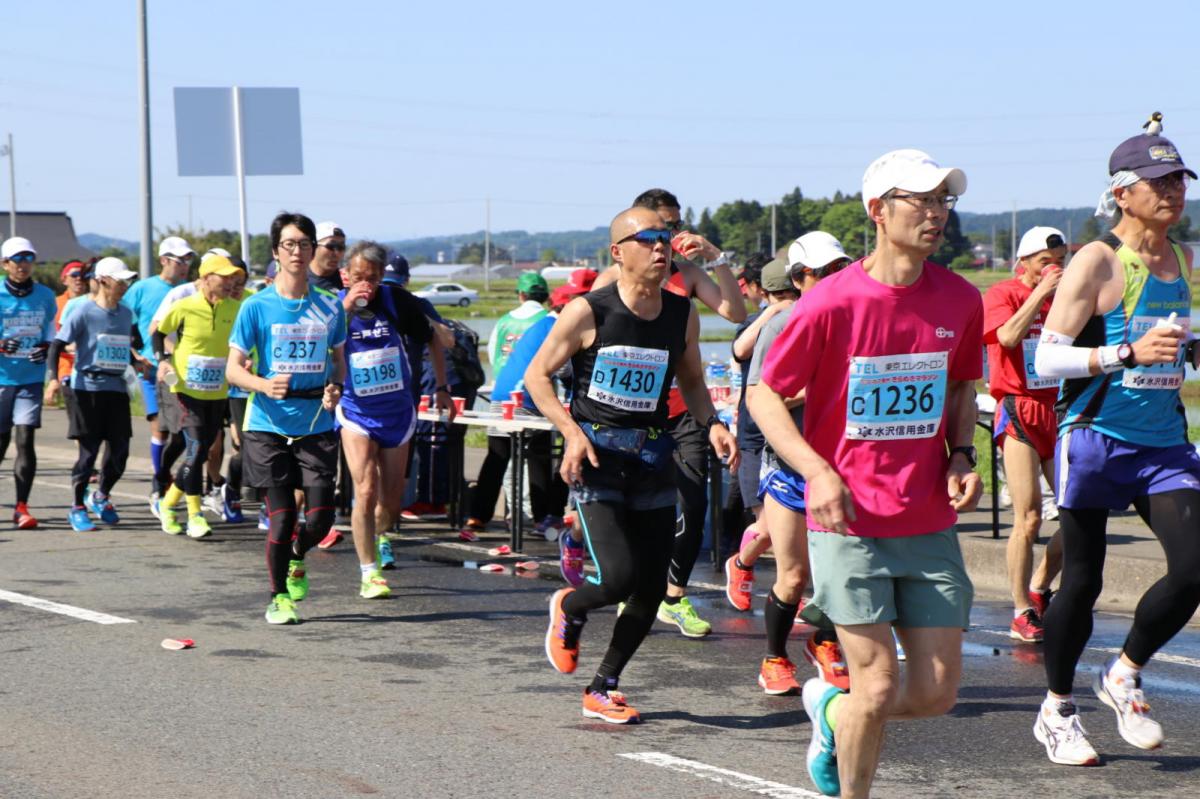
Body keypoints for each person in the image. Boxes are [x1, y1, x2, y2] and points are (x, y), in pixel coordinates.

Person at [751, 149, 980, 798]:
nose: (936, 214)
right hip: (848, 521)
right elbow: (765, 396)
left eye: (944, 201)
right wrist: (817, 472)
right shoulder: (830, 303)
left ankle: (830, 709)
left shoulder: (961, 298)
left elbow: (963, 383)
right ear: (878, 211)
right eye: (921, 200)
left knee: (935, 693)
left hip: (927, 519)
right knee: (876, 684)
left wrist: (961, 454)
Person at [1031, 129, 1200, 766]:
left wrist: (1189, 349)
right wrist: (1121, 353)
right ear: (1122, 194)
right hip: (1095, 437)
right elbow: (1046, 357)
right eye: (1159, 183)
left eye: (1180, 180)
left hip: (1163, 443)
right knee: (1082, 581)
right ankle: (1057, 708)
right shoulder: (1097, 261)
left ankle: (1122, 672)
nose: (1173, 192)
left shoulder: (1181, 257)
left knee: (1194, 568)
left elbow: (1166, 339)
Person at [533, 207, 738, 724]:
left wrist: (711, 421)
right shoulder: (588, 311)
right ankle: (571, 608)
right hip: (597, 454)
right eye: (646, 238)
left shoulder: (681, 313)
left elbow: (691, 377)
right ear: (618, 252)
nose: (661, 247)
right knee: (619, 578)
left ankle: (603, 685)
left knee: (650, 589)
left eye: (665, 238)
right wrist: (571, 432)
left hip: (652, 454)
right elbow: (538, 378)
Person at [594, 187, 746, 637]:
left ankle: (674, 597)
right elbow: (583, 342)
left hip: (685, 409)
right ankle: (623, 583)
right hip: (632, 416)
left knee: (693, 501)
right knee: (626, 506)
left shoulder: (688, 274)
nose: (667, 238)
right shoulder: (612, 277)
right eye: (658, 228)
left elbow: (736, 312)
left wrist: (717, 257)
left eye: (674, 227)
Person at [737, 241, 853, 698]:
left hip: (843, 465)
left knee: (839, 574)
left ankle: (824, 643)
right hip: (789, 464)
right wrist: (820, 387)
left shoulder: (856, 318)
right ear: (800, 277)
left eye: (843, 268)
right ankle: (774, 657)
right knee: (794, 575)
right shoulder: (784, 323)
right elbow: (764, 399)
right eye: (825, 271)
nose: (835, 278)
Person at [226, 212, 347, 625]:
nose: (298, 252)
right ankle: (278, 597)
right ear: (276, 252)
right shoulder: (255, 306)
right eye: (290, 244)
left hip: (315, 421)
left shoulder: (330, 305)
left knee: (320, 520)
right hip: (266, 424)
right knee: (281, 518)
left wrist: (336, 388)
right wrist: (262, 384)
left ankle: (299, 555)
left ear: (314, 250)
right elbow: (233, 369)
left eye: (305, 244)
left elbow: (338, 359)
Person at [336, 241, 453, 598]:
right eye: (358, 278)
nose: (365, 286)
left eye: (372, 279)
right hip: (356, 410)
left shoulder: (395, 301)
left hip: (397, 411)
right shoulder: (334, 305)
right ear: (346, 275)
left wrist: (442, 386)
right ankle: (369, 572)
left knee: (391, 499)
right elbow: (324, 342)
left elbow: (435, 340)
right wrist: (344, 309)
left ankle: (381, 534)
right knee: (365, 488)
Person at [983, 226, 1067, 643]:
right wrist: (1040, 293)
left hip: (1060, 410)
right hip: (1019, 408)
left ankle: (1038, 585)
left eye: (1060, 262)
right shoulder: (1002, 294)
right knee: (1029, 516)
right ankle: (1019, 609)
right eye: (1045, 263)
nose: (1054, 269)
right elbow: (1007, 337)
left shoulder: (1065, 298)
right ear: (1025, 262)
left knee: (1077, 513)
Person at [45, 257, 141, 532]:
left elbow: (124, 348)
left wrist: (138, 363)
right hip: (86, 388)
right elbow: (56, 346)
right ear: (102, 281)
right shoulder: (84, 311)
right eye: (119, 280)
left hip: (117, 388)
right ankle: (77, 507)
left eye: (127, 281)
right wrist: (53, 380)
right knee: (88, 453)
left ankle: (101, 496)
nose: (124, 285)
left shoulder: (125, 313)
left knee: (120, 452)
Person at [152, 254, 244, 538]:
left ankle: (168, 505)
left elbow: (244, 341)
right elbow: (158, 333)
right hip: (183, 390)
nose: (230, 283)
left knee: (201, 452)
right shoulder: (185, 306)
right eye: (224, 277)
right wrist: (163, 359)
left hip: (217, 392)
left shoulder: (236, 308)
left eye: (233, 278)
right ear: (206, 279)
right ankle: (195, 515)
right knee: (194, 450)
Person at [459, 271, 551, 540]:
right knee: (538, 456)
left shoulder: (504, 321)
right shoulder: (547, 320)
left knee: (497, 456)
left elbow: (493, 354)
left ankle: (478, 515)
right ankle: (541, 518)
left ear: (520, 295)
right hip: (533, 396)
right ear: (544, 296)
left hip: (502, 395)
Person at [122, 235, 194, 509]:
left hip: (179, 370)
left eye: (189, 260)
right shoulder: (143, 288)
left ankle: (169, 477)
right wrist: (134, 353)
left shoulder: (189, 290)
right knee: (159, 426)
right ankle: (158, 482)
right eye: (180, 260)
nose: (185, 265)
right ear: (164, 260)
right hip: (151, 369)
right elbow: (121, 318)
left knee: (183, 429)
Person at [0, 237, 57, 529]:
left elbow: (50, 328)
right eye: (17, 259)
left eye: (28, 258)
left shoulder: (45, 294)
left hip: (30, 379)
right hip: (1, 378)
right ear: (5, 264)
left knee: (25, 439)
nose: (23, 264)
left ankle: (21, 507)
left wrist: (46, 347)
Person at [309, 221, 346, 293]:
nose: (337, 253)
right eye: (331, 246)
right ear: (314, 247)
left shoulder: (346, 282)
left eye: (341, 247)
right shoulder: (298, 279)